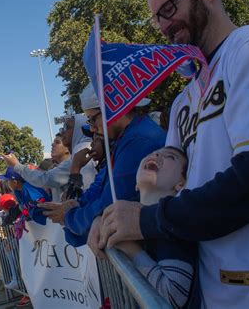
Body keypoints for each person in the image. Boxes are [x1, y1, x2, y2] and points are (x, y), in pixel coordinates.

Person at [98, 0, 249, 307]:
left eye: (169, 8)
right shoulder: (182, 101)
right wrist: (112, 221)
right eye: (156, 17)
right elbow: (163, 191)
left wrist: (146, 221)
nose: (163, 26)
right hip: (210, 290)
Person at [40, 82, 166, 247]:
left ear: (112, 108)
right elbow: (100, 188)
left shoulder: (138, 140)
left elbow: (110, 204)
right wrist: (75, 205)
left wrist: (69, 216)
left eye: (92, 119)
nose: (92, 129)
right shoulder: (125, 139)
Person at [115, 146, 198, 308]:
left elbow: (173, 295)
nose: (156, 154)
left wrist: (131, 250)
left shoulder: (172, 227)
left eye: (170, 157)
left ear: (181, 183)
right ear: (136, 186)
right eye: (151, 153)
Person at [3, 113, 96, 203]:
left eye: (67, 127)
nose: (62, 131)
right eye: (62, 128)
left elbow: (45, 179)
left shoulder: (80, 152)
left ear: (79, 131)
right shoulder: (70, 159)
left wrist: (17, 165)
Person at [0, 167, 51, 236]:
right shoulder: (17, 191)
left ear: (15, 182)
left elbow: (40, 203)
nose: (7, 183)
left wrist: (27, 212)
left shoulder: (27, 187)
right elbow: (22, 206)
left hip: (48, 219)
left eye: (8, 181)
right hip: (38, 224)